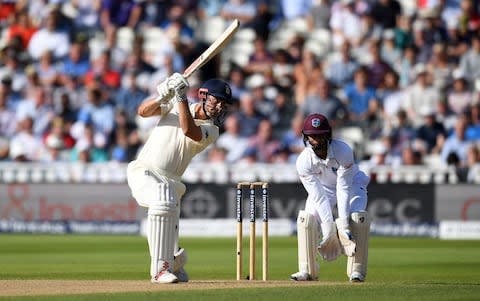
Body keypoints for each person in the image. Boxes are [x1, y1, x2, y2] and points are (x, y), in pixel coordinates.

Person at [126, 73, 233, 284]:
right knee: (162, 200)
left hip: (172, 182)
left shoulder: (212, 131)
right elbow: (142, 112)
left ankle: (175, 263)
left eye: (224, 103)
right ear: (203, 95)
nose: (220, 106)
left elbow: (188, 129)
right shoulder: (178, 105)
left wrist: (179, 97)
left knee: (166, 205)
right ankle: (160, 270)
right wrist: (162, 96)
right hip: (144, 170)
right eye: (216, 99)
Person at [290, 113, 371, 282]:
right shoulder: (303, 161)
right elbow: (318, 196)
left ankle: (357, 271)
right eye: (312, 136)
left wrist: (342, 225)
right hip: (324, 188)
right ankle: (307, 270)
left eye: (320, 135)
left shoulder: (343, 150)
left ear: (328, 135)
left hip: (353, 184)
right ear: (305, 137)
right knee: (307, 219)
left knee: (357, 217)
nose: (316, 140)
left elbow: (344, 187)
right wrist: (328, 229)